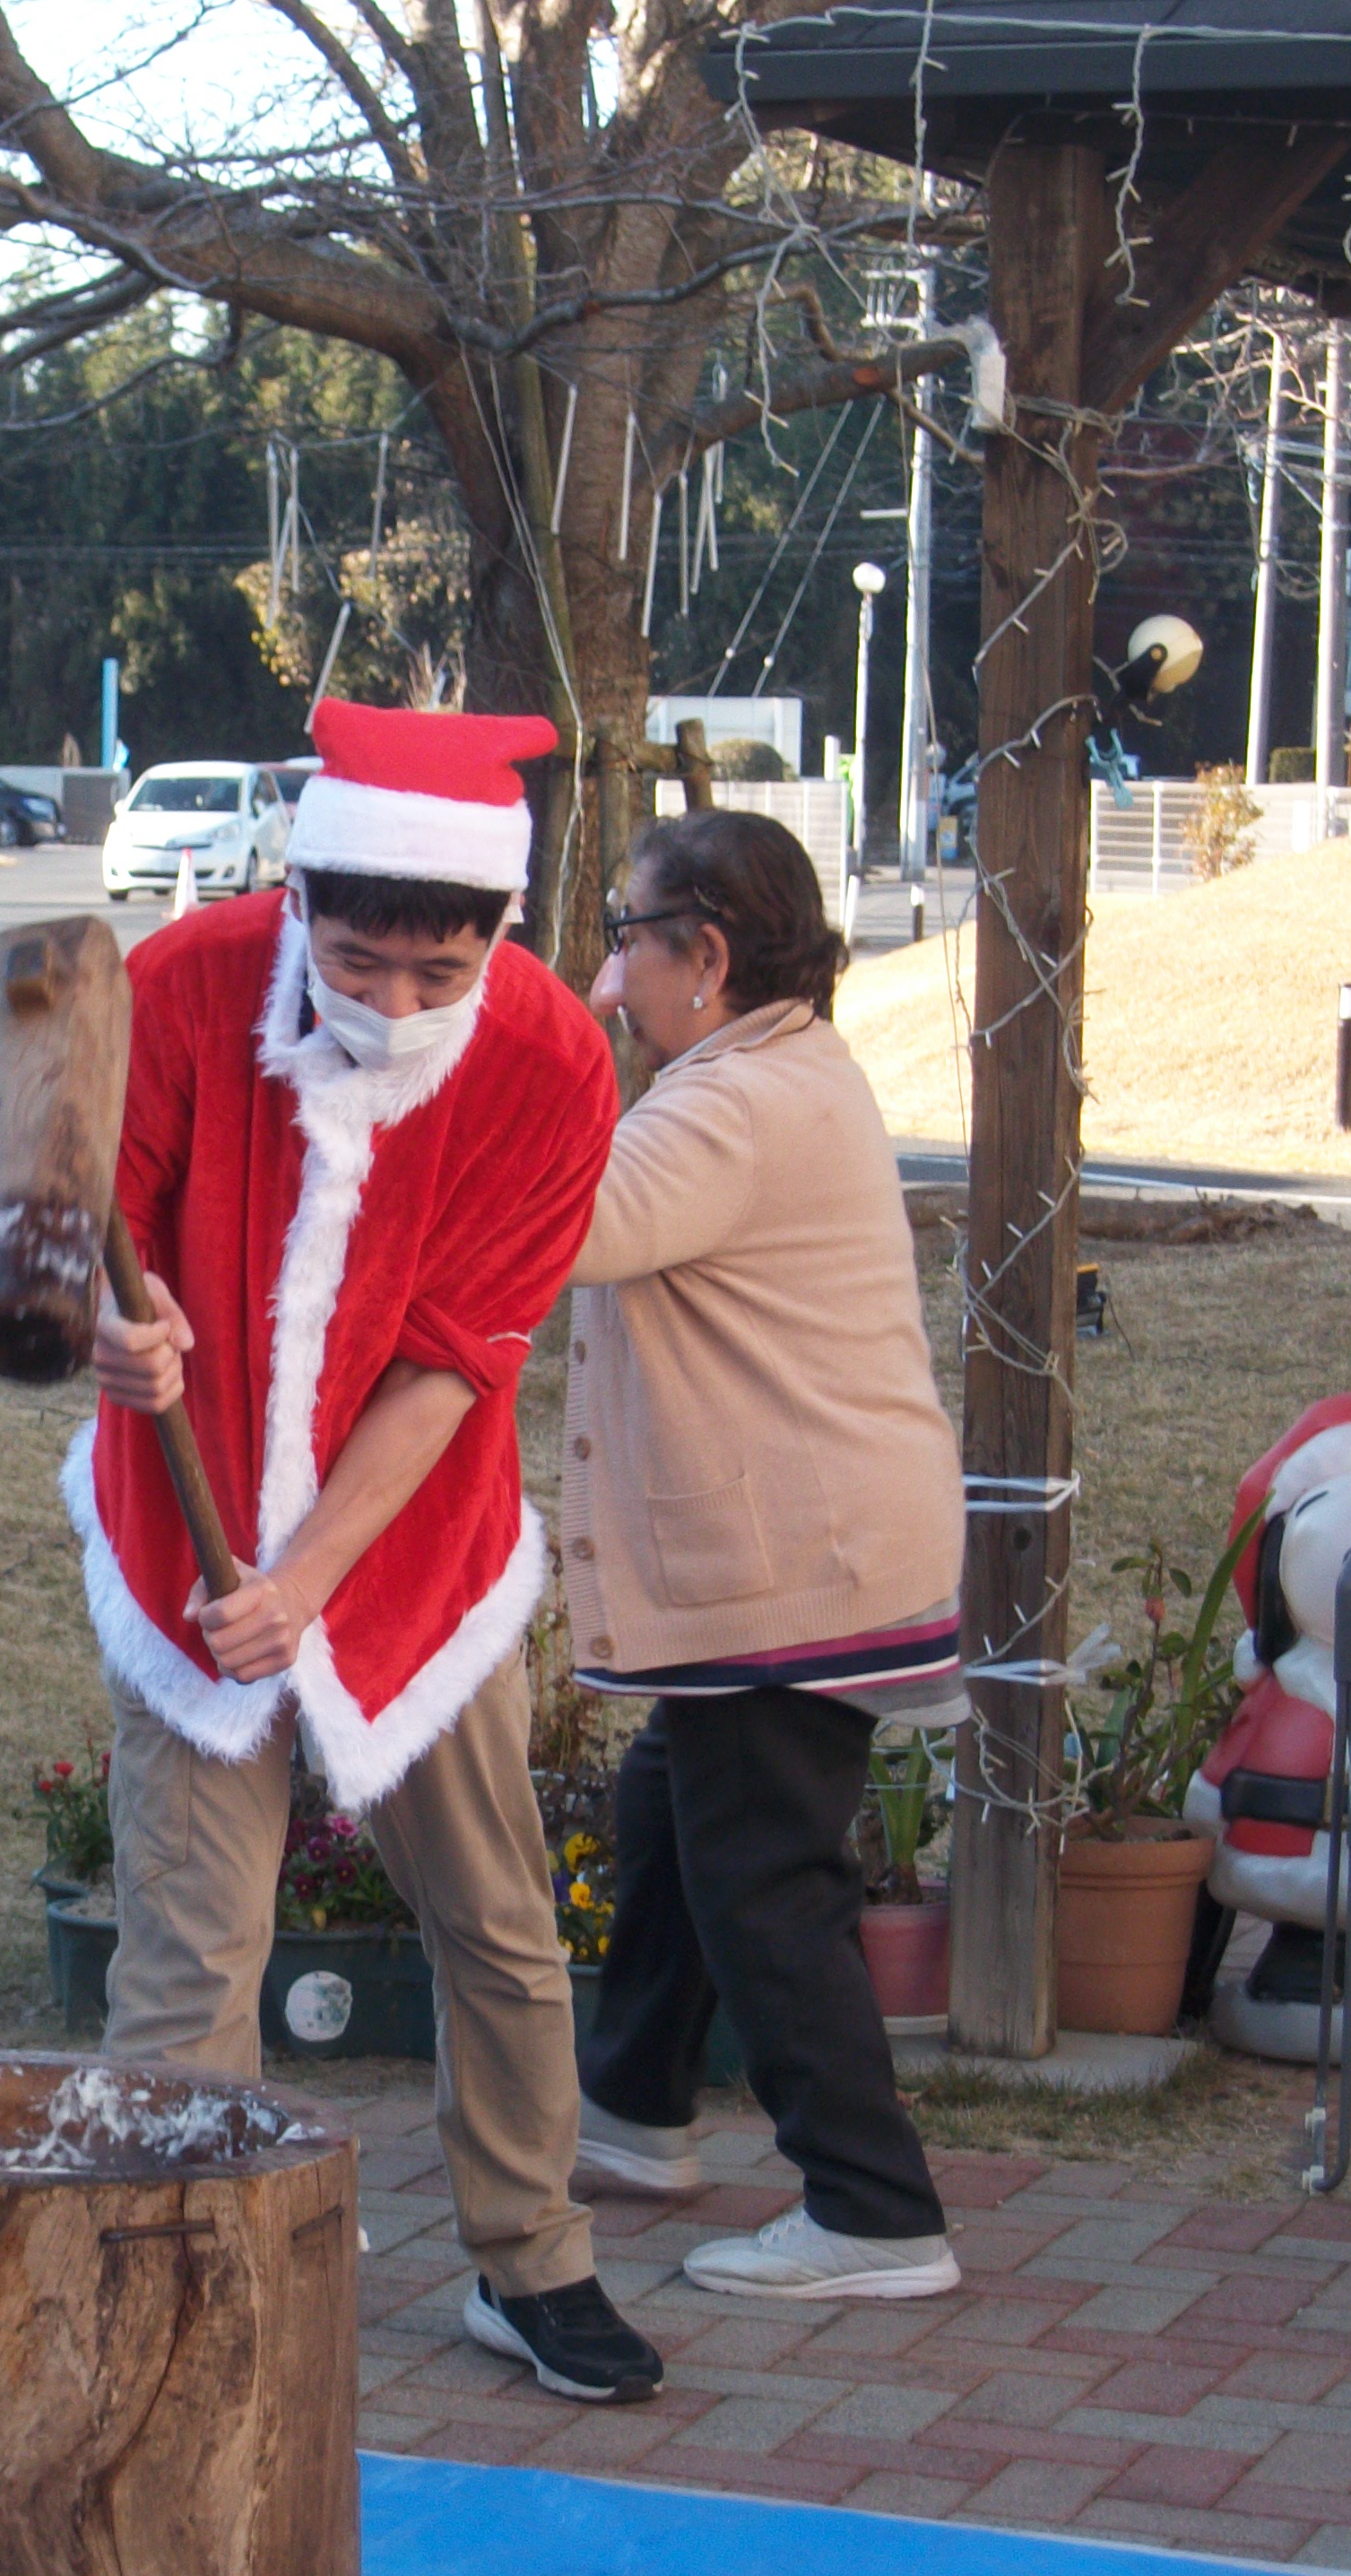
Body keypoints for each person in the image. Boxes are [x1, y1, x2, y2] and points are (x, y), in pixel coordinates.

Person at [83, 699, 659, 2402]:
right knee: (191, 1952)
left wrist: (313, 1579)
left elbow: (456, 1364)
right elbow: (81, 1227)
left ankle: (532, 2257)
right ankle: (171, 2286)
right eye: (354, 962)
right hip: (185, 1548)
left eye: (437, 971)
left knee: (498, 1920)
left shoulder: (553, 1062)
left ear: (500, 929)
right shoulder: (180, 989)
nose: (395, 1004)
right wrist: (100, 1328)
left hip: (418, 1564)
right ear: (298, 901)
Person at [559, 809, 970, 2302]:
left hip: (794, 1565)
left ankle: (874, 2211)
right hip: (812, 1544)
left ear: (710, 957)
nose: (612, 980)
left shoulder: (730, 1104)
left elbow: (565, 1227)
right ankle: (634, 2107)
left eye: (626, 939)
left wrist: (520, 1065)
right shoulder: (777, 1071)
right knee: (677, 1805)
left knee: (764, 1879)